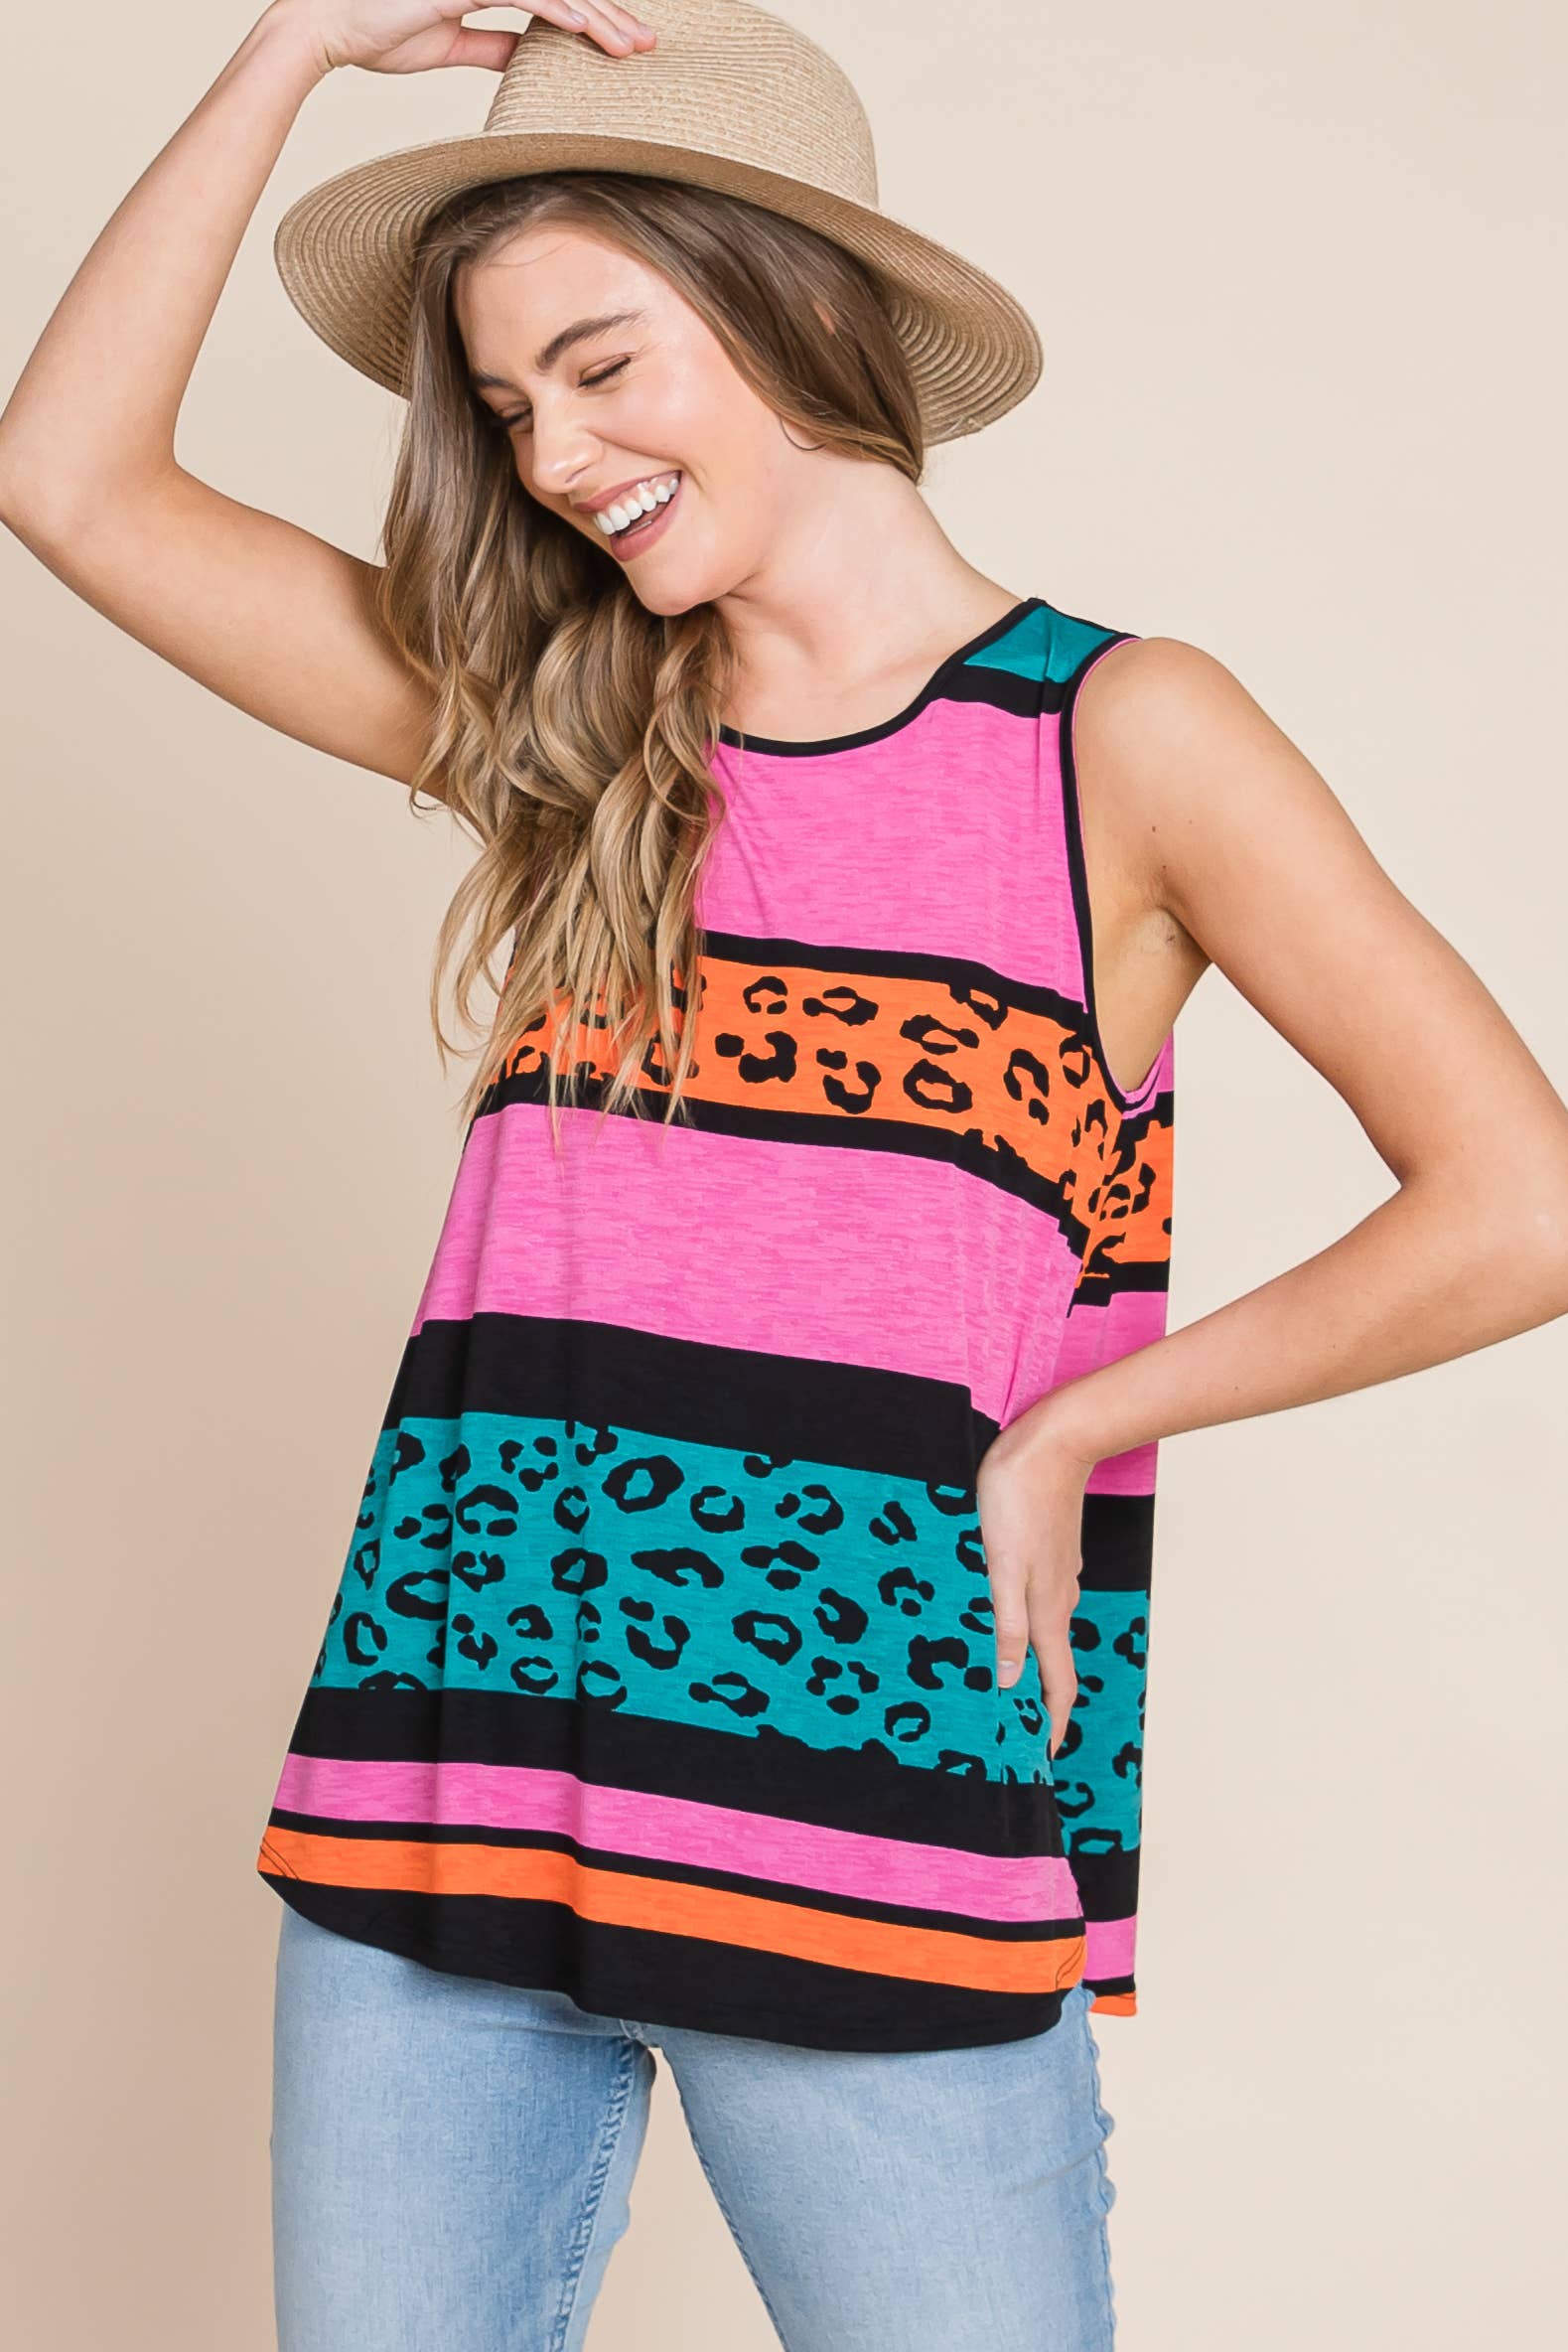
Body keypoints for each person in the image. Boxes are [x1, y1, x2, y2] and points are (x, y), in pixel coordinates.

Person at [4, 4, 1566, 2347]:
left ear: (793, 306)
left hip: (864, 1830)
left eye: (604, 366)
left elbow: (1517, 1197)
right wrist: (292, 49)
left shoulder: (1114, 735)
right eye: (509, 407)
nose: (558, 457)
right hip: (439, 1803)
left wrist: (1080, 1418)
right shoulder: (568, 731)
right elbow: (70, 481)